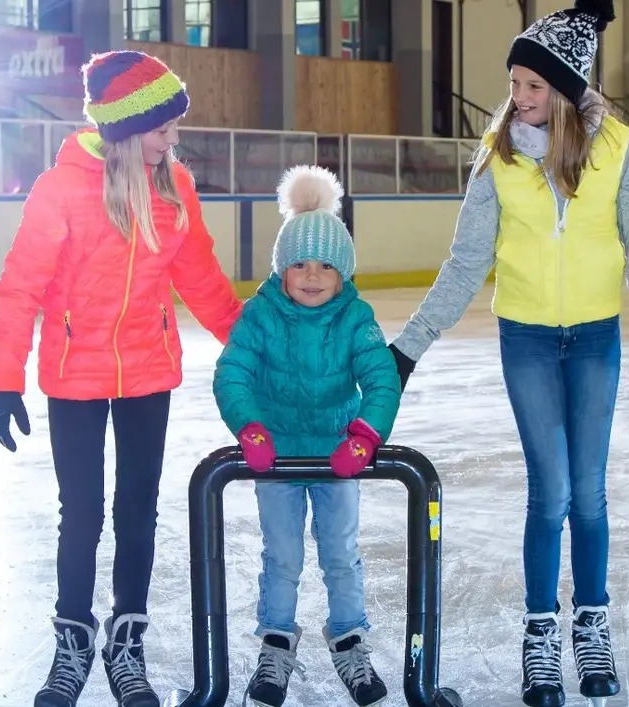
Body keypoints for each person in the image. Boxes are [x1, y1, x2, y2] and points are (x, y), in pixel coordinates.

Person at [386, 0, 629, 703]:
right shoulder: (498, 159)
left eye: (532, 87)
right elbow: (464, 264)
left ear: (568, 91)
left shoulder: (614, 152)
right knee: (549, 493)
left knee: (590, 493)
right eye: (514, 83)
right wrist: (408, 348)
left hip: (595, 339)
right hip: (526, 340)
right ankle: (542, 635)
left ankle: (592, 625)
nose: (517, 98)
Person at [0, 50, 243, 707]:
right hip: (74, 375)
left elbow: (202, 280)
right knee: (83, 515)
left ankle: (126, 645)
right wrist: (4, 378)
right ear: (128, 128)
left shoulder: (173, 186)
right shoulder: (62, 189)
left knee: (136, 512)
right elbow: (20, 288)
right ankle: (72, 644)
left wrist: (251, 347)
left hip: (147, 371)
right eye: (163, 129)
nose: (173, 140)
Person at [212, 166, 402, 707]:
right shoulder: (260, 315)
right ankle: (275, 642)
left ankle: (348, 639)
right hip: (276, 458)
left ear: (343, 272)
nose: (312, 276)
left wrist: (365, 436)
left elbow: (381, 378)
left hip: (339, 455)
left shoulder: (355, 318)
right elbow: (232, 373)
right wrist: (249, 428)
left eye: (325, 265)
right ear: (281, 269)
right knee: (283, 556)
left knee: (341, 552)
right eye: (299, 264)